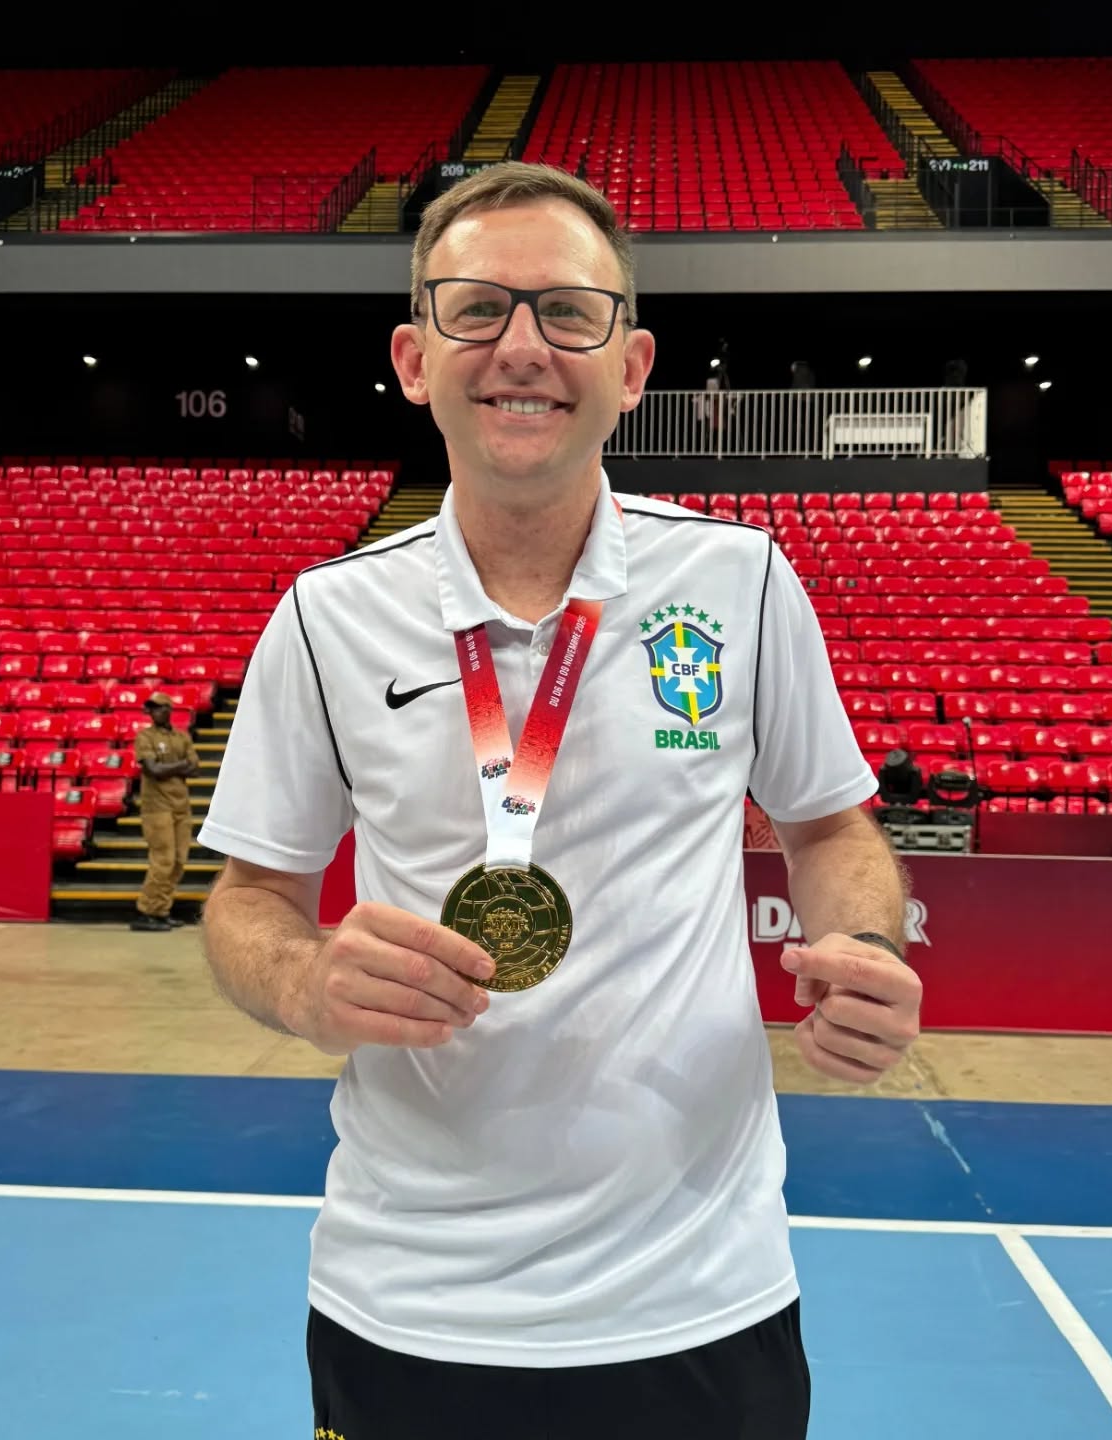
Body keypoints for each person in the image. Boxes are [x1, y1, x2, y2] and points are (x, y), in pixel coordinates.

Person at [197, 161, 922, 1439]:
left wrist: (862, 941)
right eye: (477, 307)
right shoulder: (325, 618)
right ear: (414, 358)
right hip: (407, 1298)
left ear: (631, 364)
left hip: (700, 1298)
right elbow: (248, 898)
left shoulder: (741, 582)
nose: (521, 346)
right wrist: (306, 983)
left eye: (567, 314)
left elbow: (830, 826)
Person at [131, 691, 198, 932]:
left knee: (179, 861)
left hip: (181, 806)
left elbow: (195, 768)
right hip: (156, 808)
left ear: (169, 710)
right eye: (152, 708)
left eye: (159, 707)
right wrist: (180, 766)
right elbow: (153, 770)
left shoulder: (182, 737)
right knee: (163, 860)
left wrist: (170, 767)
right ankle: (145, 911)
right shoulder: (145, 737)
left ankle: (161, 910)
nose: (155, 712)